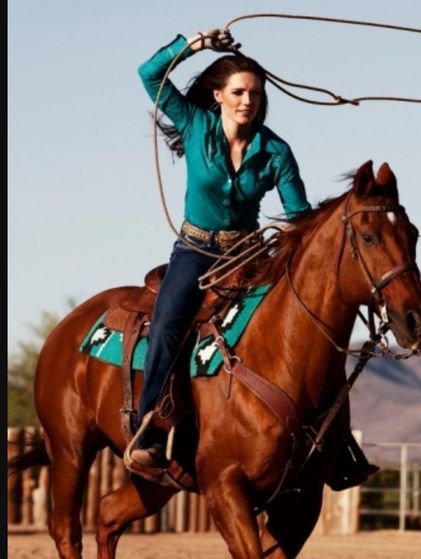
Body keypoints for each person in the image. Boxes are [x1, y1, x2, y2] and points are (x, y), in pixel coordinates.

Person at [129, 28, 378, 491]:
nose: (249, 101)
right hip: (195, 252)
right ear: (218, 95)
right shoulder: (195, 124)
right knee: (166, 325)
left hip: (250, 254)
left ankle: (337, 441)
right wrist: (196, 46)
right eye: (239, 92)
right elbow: (149, 74)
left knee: (308, 327)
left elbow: (299, 216)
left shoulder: (276, 151)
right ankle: (149, 428)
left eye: (256, 94)